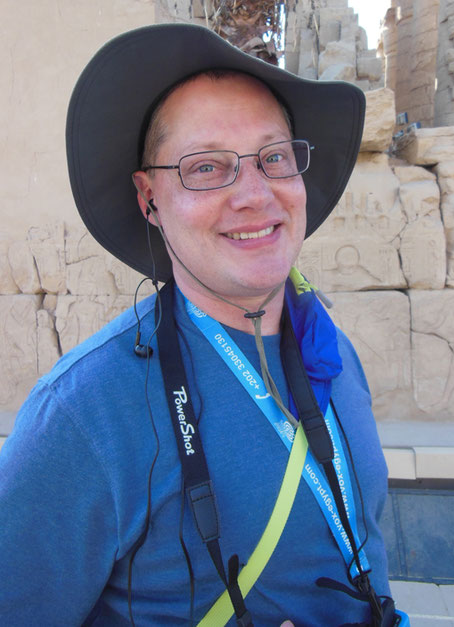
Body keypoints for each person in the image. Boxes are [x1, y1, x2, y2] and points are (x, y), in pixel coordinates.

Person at [0, 24, 405, 627]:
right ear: (149, 197)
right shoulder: (84, 415)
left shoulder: (332, 350)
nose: (254, 194)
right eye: (206, 168)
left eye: (273, 157)